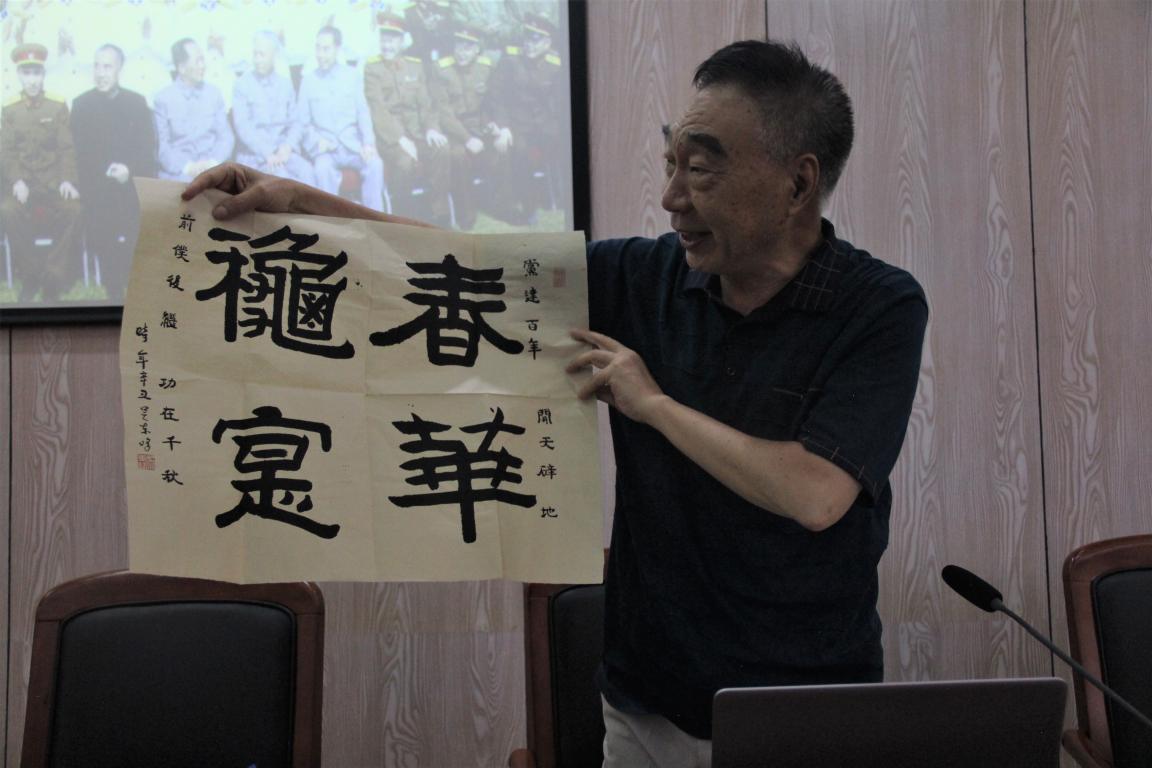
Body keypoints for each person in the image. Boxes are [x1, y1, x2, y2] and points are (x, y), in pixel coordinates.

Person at [183, 39, 928, 768]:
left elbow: (816, 493)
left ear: (798, 184)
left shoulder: (878, 306)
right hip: (643, 702)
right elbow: (465, 264)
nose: (672, 198)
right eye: (671, 163)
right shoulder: (643, 276)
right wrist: (299, 202)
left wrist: (653, 405)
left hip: (801, 711)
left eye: (700, 170)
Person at [70, 43, 158, 302]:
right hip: (97, 182)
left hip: (130, 179)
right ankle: (113, 283)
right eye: (96, 67)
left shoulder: (136, 102)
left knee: (139, 213)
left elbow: (146, 148)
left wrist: (128, 170)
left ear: (120, 69)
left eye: (107, 67)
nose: (101, 73)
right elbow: (78, 152)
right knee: (101, 213)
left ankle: (136, 277)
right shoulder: (82, 104)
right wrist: (104, 172)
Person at [1, 43, 83, 302]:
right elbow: (6, 151)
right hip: (24, 186)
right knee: (7, 211)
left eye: (36, 73)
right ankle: (31, 274)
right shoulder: (9, 110)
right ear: (19, 75)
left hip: (53, 184)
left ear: (43, 74)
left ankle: (52, 277)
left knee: (74, 210)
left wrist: (67, 180)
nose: (32, 80)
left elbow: (66, 148)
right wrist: (17, 181)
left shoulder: (56, 106)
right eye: (27, 73)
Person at [363, 14, 450, 224]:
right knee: (405, 162)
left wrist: (431, 128)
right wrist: (400, 139)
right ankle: (405, 215)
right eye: (384, 39)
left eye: (392, 40)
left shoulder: (415, 66)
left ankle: (439, 213)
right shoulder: (372, 68)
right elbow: (378, 110)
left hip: (417, 133)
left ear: (402, 41)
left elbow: (426, 104)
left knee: (442, 149)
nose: (387, 45)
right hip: (390, 138)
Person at [485, 13, 566, 225]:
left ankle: (563, 198)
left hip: (546, 126)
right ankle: (527, 207)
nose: (529, 44)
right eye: (527, 38)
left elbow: (559, 102)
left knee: (568, 145)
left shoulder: (555, 65)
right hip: (517, 126)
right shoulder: (510, 61)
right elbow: (496, 97)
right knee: (520, 153)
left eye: (535, 40)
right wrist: (503, 126)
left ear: (548, 43)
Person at [296, 25, 384, 211]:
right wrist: (316, 141)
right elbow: (303, 123)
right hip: (326, 149)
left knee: (375, 164)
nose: (321, 54)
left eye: (326, 49)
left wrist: (368, 143)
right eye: (318, 48)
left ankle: (375, 219)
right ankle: (330, 222)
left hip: (353, 146)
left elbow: (362, 112)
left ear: (338, 49)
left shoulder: (351, 76)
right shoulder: (308, 81)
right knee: (322, 169)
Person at [430, 23, 508, 229]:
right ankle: (466, 213)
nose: (461, 52)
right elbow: (444, 113)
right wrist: (467, 139)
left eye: (468, 47)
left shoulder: (486, 67)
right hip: (454, 130)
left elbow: (493, 101)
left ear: (477, 50)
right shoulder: (441, 69)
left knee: (501, 149)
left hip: (480, 127)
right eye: (458, 46)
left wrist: (496, 125)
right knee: (458, 156)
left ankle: (501, 206)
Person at [231, 31, 314, 185]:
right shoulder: (242, 85)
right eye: (255, 54)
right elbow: (243, 127)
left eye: (262, 55)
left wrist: (288, 146)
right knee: (283, 178)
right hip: (254, 156)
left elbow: (296, 122)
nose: (257, 60)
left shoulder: (285, 84)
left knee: (308, 172)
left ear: (274, 55)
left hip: (282, 152)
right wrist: (267, 152)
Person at [152, 37, 234, 182]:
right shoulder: (163, 99)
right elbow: (163, 148)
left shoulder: (214, 94)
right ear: (181, 68)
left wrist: (212, 163)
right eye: (198, 61)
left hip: (213, 169)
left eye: (203, 60)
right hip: (179, 173)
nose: (203, 66)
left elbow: (226, 137)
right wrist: (188, 167)